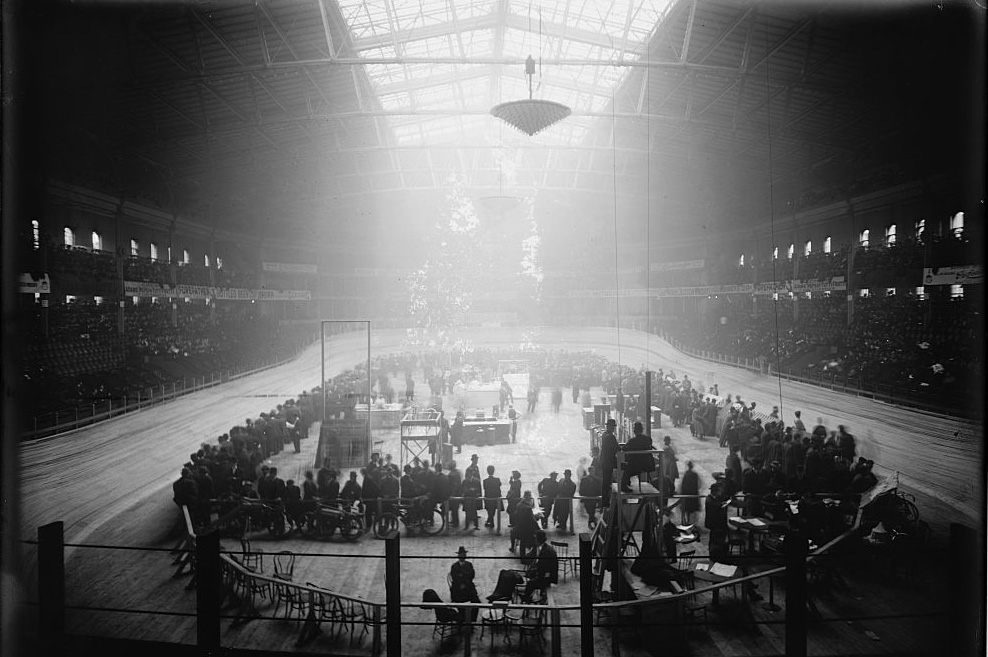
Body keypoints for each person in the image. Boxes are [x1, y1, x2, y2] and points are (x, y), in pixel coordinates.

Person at [522, 530, 558, 602]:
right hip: (541, 572)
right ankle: (529, 595)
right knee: (529, 576)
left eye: (535, 538)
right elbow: (531, 555)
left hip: (547, 576)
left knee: (530, 583)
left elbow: (547, 569)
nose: (534, 540)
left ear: (538, 539)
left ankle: (526, 598)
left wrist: (536, 574)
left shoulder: (548, 551)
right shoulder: (538, 546)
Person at [621, 421, 655, 492]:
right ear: (642, 430)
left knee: (626, 468)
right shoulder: (648, 439)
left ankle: (624, 485)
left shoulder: (632, 441)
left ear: (634, 431)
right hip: (647, 464)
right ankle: (627, 482)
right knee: (629, 466)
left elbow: (624, 449)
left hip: (636, 466)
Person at [449, 546, 480, 622]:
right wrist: (463, 580)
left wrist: (463, 577)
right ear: (458, 556)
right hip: (458, 589)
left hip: (468, 587)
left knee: (477, 602)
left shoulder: (469, 564)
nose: (463, 556)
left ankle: (472, 619)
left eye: (464, 555)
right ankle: (462, 618)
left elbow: (472, 575)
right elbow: (455, 578)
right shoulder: (454, 566)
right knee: (461, 604)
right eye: (461, 555)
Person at [599, 419, 619, 508]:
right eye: (612, 427)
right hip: (608, 463)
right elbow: (616, 448)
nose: (613, 428)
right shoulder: (610, 436)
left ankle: (605, 502)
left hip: (605, 462)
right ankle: (606, 503)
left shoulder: (604, 435)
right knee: (607, 483)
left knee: (606, 484)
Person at [447, 461, 462, 528]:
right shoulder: (457, 473)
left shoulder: (452, 474)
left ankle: (455, 522)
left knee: (454, 509)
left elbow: (454, 485)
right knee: (454, 509)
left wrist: (452, 494)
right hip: (458, 493)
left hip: (454, 494)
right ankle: (454, 521)